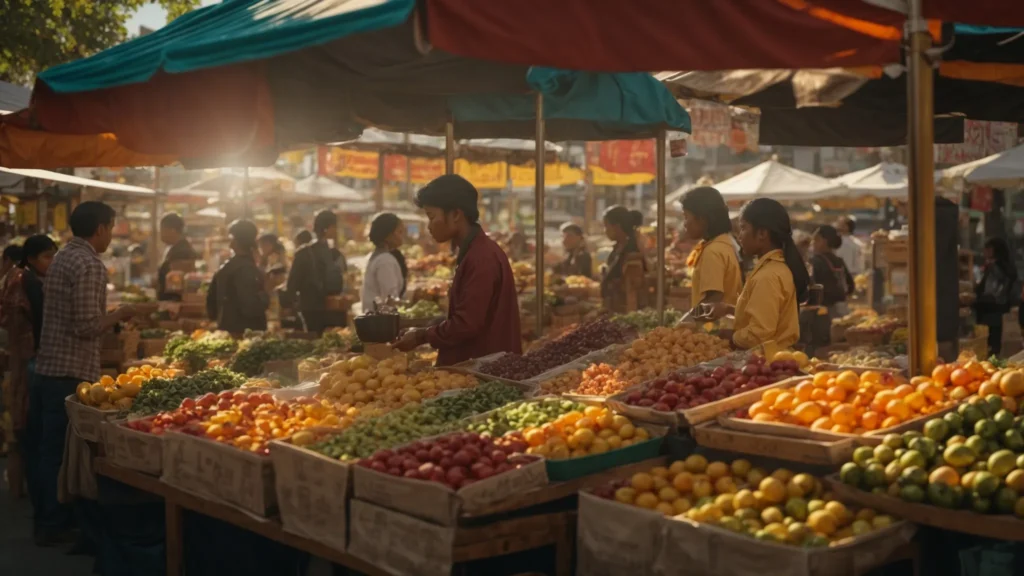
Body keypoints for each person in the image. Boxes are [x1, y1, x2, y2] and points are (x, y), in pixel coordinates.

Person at [33, 202, 135, 545]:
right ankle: (56, 522)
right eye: (111, 227)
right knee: (63, 452)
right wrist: (121, 313)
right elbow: (86, 326)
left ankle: (49, 520)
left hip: (50, 367)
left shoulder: (62, 256)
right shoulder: (90, 264)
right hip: (72, 370)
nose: (110, 234)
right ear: (101, 228)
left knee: (49, 450)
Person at [393, 175, 521, 365]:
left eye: (431, 216)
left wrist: (422, 336)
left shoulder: (481, 258)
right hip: (479, 366)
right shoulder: (474, 251)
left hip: (483, 371)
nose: (429, 226)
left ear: (455, 215)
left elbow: (466, 324)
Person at [1, 235, 57, 506]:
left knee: (26, 432)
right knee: (31, 433)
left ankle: (28, 495)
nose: (53, 261)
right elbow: (39, 324)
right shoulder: (27, 282)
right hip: (30, 362)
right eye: (47, 256)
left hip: (23, 362)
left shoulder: (21, 278)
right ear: (32, 259)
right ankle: (39, 502)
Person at [709, 198, 808, 350]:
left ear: (762, 233)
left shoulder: (768, 275)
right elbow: (768, 315)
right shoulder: (774, 268)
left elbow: (759, 333)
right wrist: (729, 309)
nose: (739, 236)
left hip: (769, 362)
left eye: (743, 228)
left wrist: (729, 336)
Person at [679, 187, 742, 314]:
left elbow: (713, 300)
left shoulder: (713, 251)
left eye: (686, 217)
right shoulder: (724, 242)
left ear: (702, 219)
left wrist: (685, 322)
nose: (685, 224)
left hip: (714, 329)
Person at [207, 219, 269, 335]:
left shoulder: (226, 268)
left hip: (227, 330)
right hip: (246, 334)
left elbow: (211, 304)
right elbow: (251, 307)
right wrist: (266, 297)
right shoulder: (246, 269)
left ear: (235, 242)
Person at [287, 210, 345, 333]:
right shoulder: (335, 253)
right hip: (333, 308)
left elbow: (291, 285)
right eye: (335, 227)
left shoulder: (303, 253)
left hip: (310, 309)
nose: (336, 231)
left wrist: (296, 308)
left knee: (315, 344)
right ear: (328, 228)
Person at [601, 206, 647, 313]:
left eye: (606, 226)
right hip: (614, 307)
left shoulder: (632, 250)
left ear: (617, 226)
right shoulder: (619, 247)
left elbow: (631, 285)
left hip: (627, 309)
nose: (605, 231)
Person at [976, 237, 1017, 357]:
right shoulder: (1005, 266)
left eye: (988, 249)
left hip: (993, 309)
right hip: (997, 308)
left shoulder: (997, 267)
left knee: (992, 343)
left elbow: (994, 291)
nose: (985, 252)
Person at [361, 213, 408, 313]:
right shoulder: (385, 260)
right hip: (380, 322)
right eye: (399, 232)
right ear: (388, 235)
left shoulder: (378, 256)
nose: (402, 236)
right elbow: (390, 299)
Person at [810, 225, 855, 318]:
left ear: (824, 241)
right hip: (842, 311)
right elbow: (851, 286)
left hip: (821, 314)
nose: (813, 244)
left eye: (816, 240)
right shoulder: (839, 261)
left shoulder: (815, 261)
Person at [156, 213, 197, 301]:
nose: (160, 234)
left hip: (174, 305)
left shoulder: (182, 251)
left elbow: (177, 284)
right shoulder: (176, 248)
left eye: (162, 230)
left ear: (172, 230)